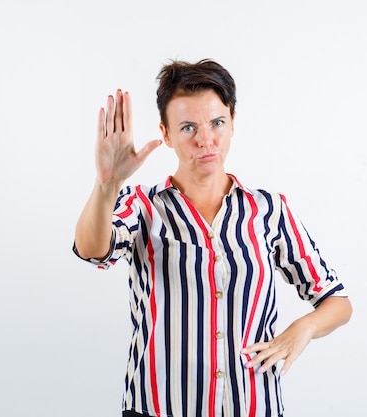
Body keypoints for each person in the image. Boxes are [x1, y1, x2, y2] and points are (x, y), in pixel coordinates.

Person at [73, 59, 352, 417]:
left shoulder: (269, 209)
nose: (206, 140)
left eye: (217, 123)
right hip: (158, 409)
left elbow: (336, 301)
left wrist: (304, 328)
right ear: (167, 134)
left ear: (233, 122)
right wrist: (108, 184)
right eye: (188, 127)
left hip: (253, 407)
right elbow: (92, 250)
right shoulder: (142, 205)